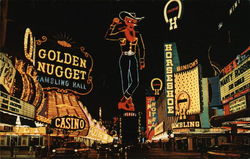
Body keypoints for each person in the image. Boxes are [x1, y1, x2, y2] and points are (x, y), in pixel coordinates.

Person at [105, 11, 146, 111]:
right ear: (126, 21)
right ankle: (128, 102)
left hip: (133, 58)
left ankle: (124, 99)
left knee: (135, 81)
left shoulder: (137, 34)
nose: (131, 23)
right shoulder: (122, 32)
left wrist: (141, 60)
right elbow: (108, 36)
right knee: (125, 81)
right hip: (124, 57)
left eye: (133, 21)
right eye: (129, 21)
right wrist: (113, 25)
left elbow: (141, 47)